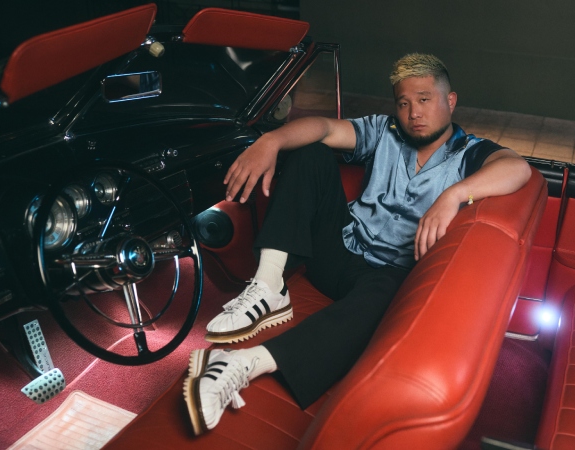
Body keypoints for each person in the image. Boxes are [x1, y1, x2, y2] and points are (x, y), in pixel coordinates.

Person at [183, 53, 532, 435]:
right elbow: (323, 127)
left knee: (388, 305)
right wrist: (272, 140)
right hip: (337, 249)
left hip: (385, 276)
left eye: (424, 99)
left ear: (450, 101)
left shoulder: (469, 153)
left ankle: (240, 364)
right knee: (311, 150)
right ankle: (269, 285)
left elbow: (517, 168)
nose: (414, 113)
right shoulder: (385, 131)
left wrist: (454, 195)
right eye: (404, 103)